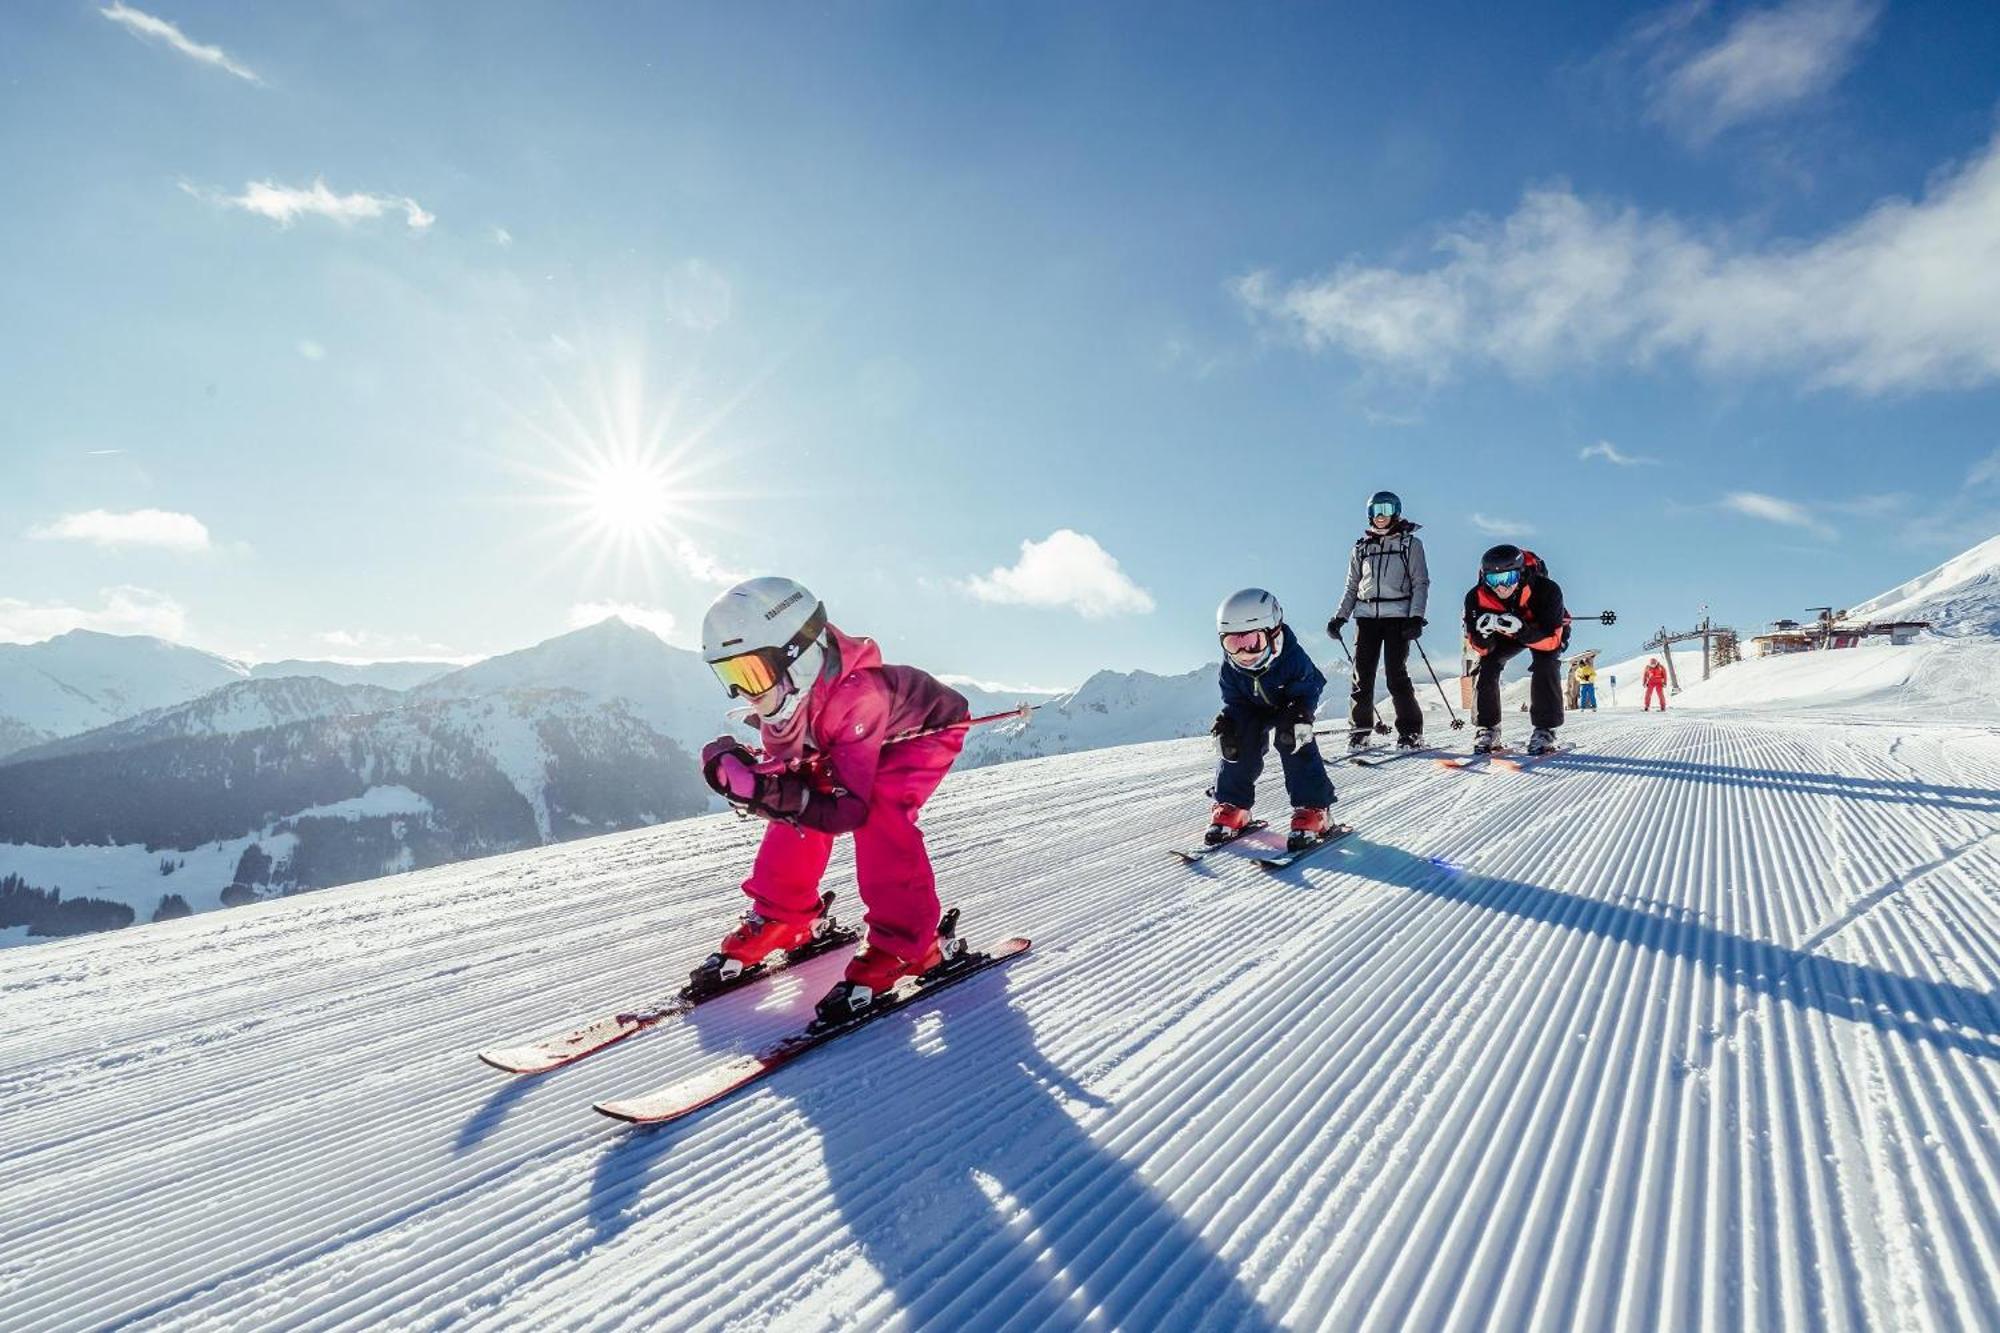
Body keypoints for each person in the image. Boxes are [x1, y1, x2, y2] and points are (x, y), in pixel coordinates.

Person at [695, 576, 973, 1027]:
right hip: (855, 737)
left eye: (752, 673)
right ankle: (786, 916)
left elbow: (848, 811)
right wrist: (756, 783)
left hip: (922, 732)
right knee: (801, 793)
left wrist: (770, 791)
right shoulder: (783, 703)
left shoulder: (857, 695)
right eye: (731, 675)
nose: (746, 692)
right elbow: (794, 794)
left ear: (797, 656)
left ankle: (911, 944)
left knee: (881, 813)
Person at [1208, 588, 1338, 852]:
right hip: (1252, 707)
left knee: (1294, 738)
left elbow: (1309, 687)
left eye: (1253, 642)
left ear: (1274, 632)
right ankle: (1233, 805)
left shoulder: (1293, 658)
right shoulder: (1230, 668)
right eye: (1234, 644)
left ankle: (1314, 808)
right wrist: (1228, 719)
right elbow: (1234, 701)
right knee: (1236, 738)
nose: (1245, 653)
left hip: (1292, 705)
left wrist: (1302, 711)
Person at [1326, 490, 1429, 750]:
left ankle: (1411, 732)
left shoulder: (1410, 544)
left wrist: (1416, 616)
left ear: (1396, 511)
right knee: (1362, 676)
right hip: (1366, 618)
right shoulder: (1361, 547)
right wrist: (1340, 617)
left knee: (1396, 675)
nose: (1380, 516)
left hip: (1398, 618)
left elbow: (1420, 582)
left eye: (1386, 509)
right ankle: (1360, 730)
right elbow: (1351, 587)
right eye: (1375, 510)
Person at [1462, 545, 1570, 754]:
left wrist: (1523, 630)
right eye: (1494, 580)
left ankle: (1545, 729)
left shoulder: (1547, 590)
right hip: (1504, 635)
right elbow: (1479, 647)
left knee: (1546, 663)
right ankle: (1488, 728)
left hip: (1542, 632)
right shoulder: (1475, 598)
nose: (1501, 587)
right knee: (1486, 665)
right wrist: (1483, 636)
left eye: (1508, 578)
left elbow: (1552, 641)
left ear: (1520, 574)